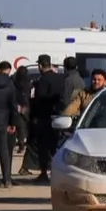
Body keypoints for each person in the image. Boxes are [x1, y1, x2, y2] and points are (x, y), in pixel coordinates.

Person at [30, 55, 67, 183]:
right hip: (58, 116)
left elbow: (39, 100)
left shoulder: (43, 80)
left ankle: (44, 172)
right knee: (54, 145)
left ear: (40, 65)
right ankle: (55, 171)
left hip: (43, 117)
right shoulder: (60, 77)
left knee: (43, 147)